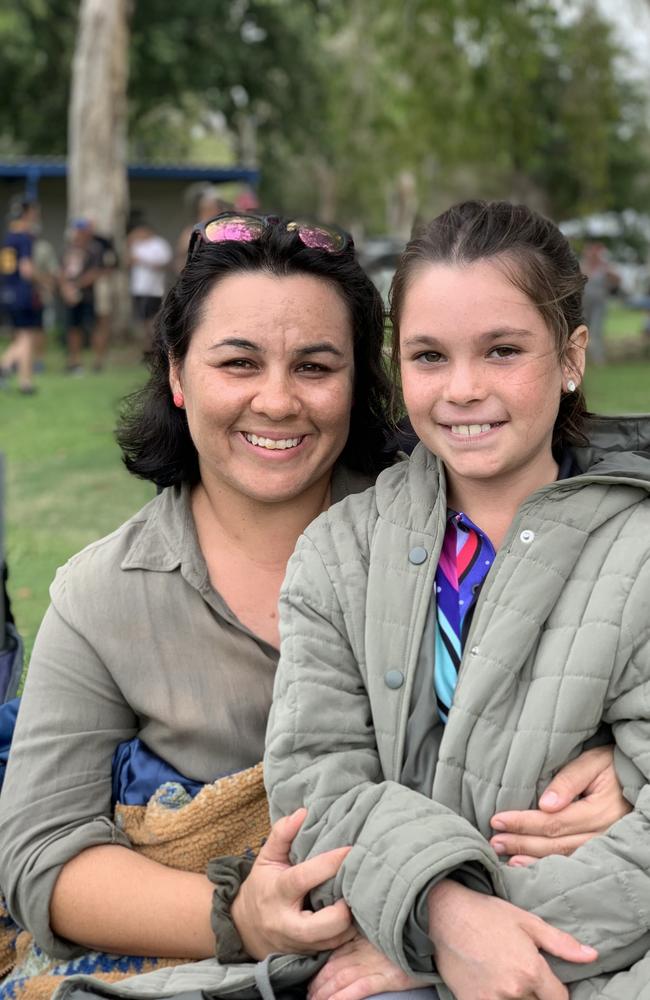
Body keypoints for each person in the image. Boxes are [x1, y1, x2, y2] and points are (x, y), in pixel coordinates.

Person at [0, 212, 630, 992]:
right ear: (177, 373)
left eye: (315, 366)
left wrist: (621, 768)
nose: (277, 401)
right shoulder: (104, 595)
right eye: (238, 363)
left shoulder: (449, 519)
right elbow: (38, 856)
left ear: (366, 378)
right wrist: (237, 916)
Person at [265, 201, 650, 999]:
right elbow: (317, 786)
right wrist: (437, 916)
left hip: (597, 954)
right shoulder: (338, 555)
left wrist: (483, 935)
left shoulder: (639, 551)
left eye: (503, 351)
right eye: (430, 356)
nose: (464, 388)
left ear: (572, 355)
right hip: (382, 947)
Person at [60, 218, 116, 373]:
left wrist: (76, 286)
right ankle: (74, 361)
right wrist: (66, 288)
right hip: (72, 295)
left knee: (94, 327)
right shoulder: (69, 248)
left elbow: (97, 271)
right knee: (73, 327)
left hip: (89, 295)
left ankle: (98, 361)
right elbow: (62, 270)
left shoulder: (95, 248)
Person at [0, 196, 42, 394]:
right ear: (27, 213)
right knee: (27, 336)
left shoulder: (9, 237)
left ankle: (25, 382)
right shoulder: (24, 237)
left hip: (8, 291)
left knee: (23, 336)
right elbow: (26, 269)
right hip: (22, 293)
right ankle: (5, 367)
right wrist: (42, 281)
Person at [128, 220, 172, 348]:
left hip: (154, 289)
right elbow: (127, 262)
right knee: (143, 319)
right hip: (138, 288)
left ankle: (156, 345)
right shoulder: (136, 245)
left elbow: (164, 264)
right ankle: (148, 345)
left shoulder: (159, 244)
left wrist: (142, 261)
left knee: (153, 319)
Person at [580, 241, 617, 367]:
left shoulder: (604, 266)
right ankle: (579, 359)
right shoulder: (582, 265)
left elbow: (616, 280)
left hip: (599, 303)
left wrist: (609, 271)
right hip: (584, 303)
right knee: (582, 329)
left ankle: (598, 359)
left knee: (596, 330)